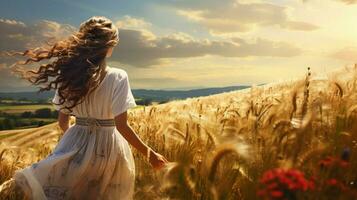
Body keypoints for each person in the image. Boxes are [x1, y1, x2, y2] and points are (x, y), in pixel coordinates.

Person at [7, 16, 169, 200]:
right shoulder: (118, 76)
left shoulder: (69, 75)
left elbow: (62, 122)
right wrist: (150, 154)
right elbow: (122, 125)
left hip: (75, 141)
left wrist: (77, 146)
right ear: (109, 45)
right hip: (109, 148)